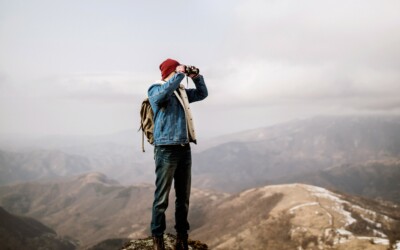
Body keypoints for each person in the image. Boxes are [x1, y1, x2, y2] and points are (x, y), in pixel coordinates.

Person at [148, 58, 208, 250]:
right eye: (177, 71)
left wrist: (196, 77)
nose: (180, 75)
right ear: (170, 72)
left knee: (183, 197)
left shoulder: (181, 92)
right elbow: (160, 97)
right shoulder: (156, 88)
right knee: (161, 198)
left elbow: (202, 94)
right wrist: (179, 74)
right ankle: (158, 237)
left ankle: (182, 236)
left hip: (184, 148)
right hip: (165, 148)